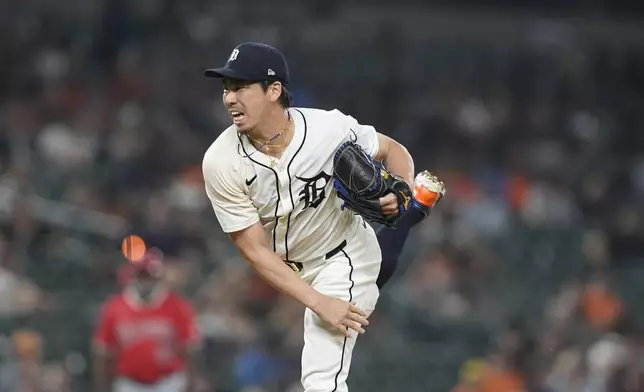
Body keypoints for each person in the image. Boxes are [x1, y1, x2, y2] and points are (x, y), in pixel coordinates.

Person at [201, 42, 445, 392]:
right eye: (226, 89)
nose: (229, 98)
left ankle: (409, 210)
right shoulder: (221, 161)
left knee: (320, 380)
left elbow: (392, 149)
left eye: (240, 87)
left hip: (342, 256)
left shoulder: (327, 129)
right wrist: (316, 300)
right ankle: (412, 215)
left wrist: (402, 187)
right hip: (290, 270)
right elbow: (253, 251)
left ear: (273, 90)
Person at [93, 249, 202, 392]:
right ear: (132, 277)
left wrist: (192, 382)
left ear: (158, 277)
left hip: (169, 382)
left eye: (149, 277)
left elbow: (189, 349)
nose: (146, 282)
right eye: (142, 276)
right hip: (129, 383)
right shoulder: (114, 308)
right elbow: (104, 353)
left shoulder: (178, 306)